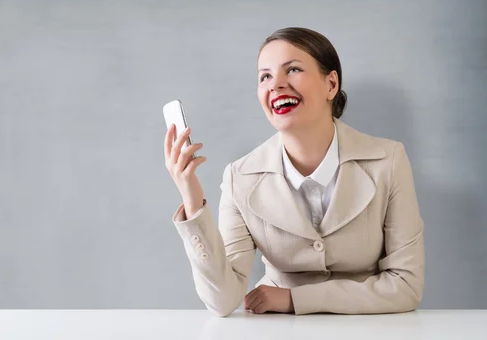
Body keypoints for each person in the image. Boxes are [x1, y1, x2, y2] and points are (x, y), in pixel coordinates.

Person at [163, 27, 424, 316]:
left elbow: (406, 285)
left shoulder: (388, 160)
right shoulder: (240, 177)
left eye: (293, 70)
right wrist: (192, 199)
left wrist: (293, 298)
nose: (276, 85)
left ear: (331, 84)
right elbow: (222, 300)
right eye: (265, 76)